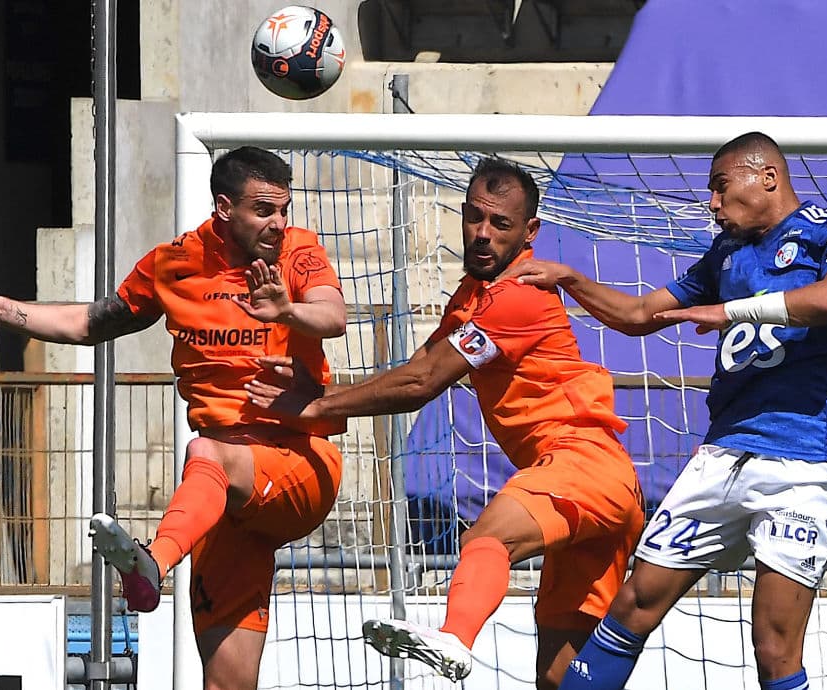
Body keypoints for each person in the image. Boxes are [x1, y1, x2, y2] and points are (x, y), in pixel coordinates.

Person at [0, 146, 347, 690]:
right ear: (224, 208)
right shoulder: (175, 264)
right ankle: (154, 566)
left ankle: (152, 565)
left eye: (283, 209)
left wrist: (287, 310)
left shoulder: (297, 251)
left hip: (297, 461)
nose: (278, 223)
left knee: (204, 451)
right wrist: (0, 308)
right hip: (219, 501)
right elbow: (92, 322)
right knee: (227, 683)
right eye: (263, 210)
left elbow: (332, 315)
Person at [245, 158, 645, 689]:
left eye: (500, 223)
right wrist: (321, 393)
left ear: (529, 232)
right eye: (474, 216)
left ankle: (454, 638)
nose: (482, 233)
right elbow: (419, 365)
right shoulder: (471, 296)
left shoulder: (516, 297)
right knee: (559, 678)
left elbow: (424, 382)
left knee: (486, 539)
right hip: (598, 486)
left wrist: (318, 407)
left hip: (582, 465)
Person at [498, 132, 827, 690]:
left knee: (774, 647)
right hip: (723, 455)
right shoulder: (727, 253)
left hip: (807, 460)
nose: (713, 203)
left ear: (768, 177)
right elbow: (639, 314)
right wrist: (571, 279)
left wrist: (730, 312)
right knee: (633, 604)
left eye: (721, 187)